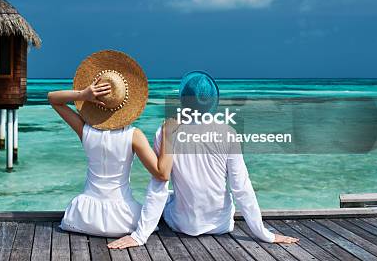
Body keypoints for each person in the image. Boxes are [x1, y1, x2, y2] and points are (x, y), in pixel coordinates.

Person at [108, 71, 299, 249]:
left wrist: (139, 236)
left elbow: (158, 186)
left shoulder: (167, 132)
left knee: (168, 195)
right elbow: (242, 188)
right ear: (212, 102)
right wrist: (265, 234)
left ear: (183, 100)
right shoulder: (228, 133)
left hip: (183, 225)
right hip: (221, 225)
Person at [48, 50, 173, 241]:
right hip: (123, 220)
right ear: (126, 103)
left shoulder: (85, 131)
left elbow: (53, 99)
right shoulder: (133, 135)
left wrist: (82, 94)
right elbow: (162, 173)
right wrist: (169, 133)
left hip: (83, 218)